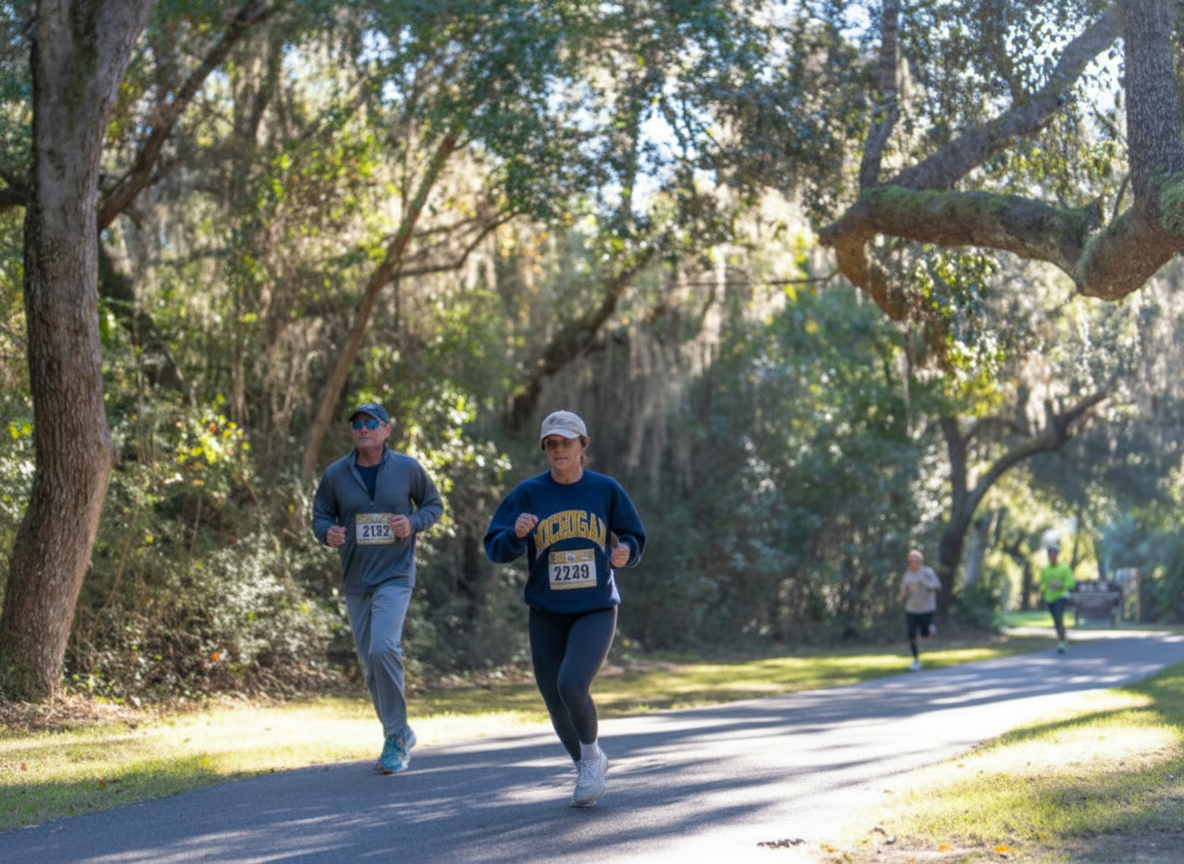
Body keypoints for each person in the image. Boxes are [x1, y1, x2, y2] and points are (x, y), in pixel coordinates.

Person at [483, 410, 646, 807]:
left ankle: (591, 759)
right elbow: (495, 547)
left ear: (583, 445)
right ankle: (586, 763)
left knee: (571, 684)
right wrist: (516, 534)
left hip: (595, 607)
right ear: (545, 448)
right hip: (547, 611)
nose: (559, 450)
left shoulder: (605, 489)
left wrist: (626, 551)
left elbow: (633, 536)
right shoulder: (528, 493)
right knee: (553, 698)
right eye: (552, 444)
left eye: (566, 443)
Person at [311, 401, 443, 774]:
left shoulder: (407, 468)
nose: (364, 429)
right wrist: (328, 532)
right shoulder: (336, 474)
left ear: (387, 430)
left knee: (383, 647)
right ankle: (398, 732)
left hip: (395, 575)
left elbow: (433, 506)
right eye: (357, 424)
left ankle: (396, 738)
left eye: (371, 423)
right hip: (356, 580)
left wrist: (412, 523)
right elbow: (320, 516)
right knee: (371, 664)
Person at [899, 549, 941, 671]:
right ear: (908, 561)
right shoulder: (907, 575)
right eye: (911, 560)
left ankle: (930, 629)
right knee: (911, 634)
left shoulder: (927, 572)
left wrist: (926, 585)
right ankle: (916, 659)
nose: (914, 562)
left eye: (916, 560)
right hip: (912, 609)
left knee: (924, 634)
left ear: (920, 561)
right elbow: (902, 593)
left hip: (927, 608)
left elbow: (938, 586)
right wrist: (905, 592)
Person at [1038, 541, 1076, 653]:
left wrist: (1061, 585)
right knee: (1056, 621)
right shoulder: (1045, 569)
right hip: (1050, 598)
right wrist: (1046, 588)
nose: (1052, 557)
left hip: (1061, 596)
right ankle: (1062, 638)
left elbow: (1071, 583)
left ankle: (1062, 642)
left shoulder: (1064, 568)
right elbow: (1042, 584)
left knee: (1059, 616)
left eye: (1054, 554)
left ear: (1057, 555)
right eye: (1050, 555)